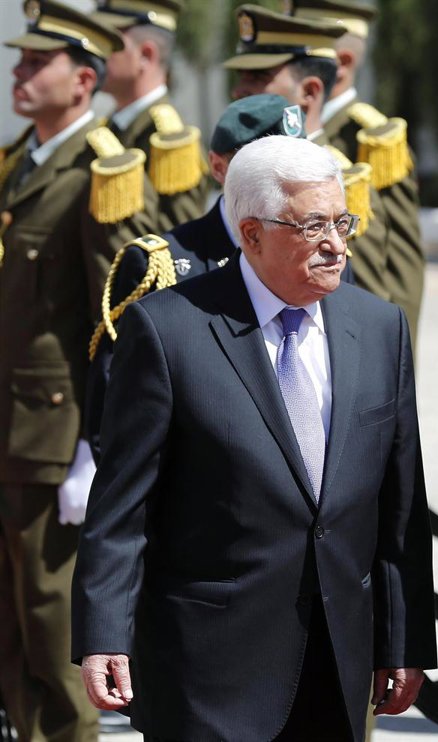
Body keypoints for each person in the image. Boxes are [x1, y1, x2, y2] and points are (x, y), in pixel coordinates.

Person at [71, 135, 436, 741]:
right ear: (252, 233)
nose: (337, 244)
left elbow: (400, 508)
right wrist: (104, 634)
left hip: (338, 661)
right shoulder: (167, 330)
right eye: (313, 226)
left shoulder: (379, 327)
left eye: (342, 221)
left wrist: (404, 639)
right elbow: (122, 507)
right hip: (207, 668)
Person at [0, 3, 157, 739]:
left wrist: (99, 446)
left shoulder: (103, 170)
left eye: (38, 63)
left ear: (84, 80)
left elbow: (127, 319)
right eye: (20, 60)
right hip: (10, 430)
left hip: (54, 435)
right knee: (10, 630)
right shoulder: (19, 162)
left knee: (50, 626)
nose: (19, 72)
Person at [82, 94, 315, 459]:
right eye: (266, 167)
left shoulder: (325, 258)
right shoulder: (164, 266)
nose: (288, 180)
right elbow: (118, 418)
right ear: (219, 168)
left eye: (300, 163)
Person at [226, 4, 393, 314]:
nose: (240, 90)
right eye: (242, 75)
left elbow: (369, 305)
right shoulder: (243, 165)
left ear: (310, 92)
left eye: (259, 76)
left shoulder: (343, 181)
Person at [286, 0, 426, 339]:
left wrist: (395, 354)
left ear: (343, 62)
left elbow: (401, 265)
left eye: (295, 56)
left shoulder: (373, 140)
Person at [93, 0, 208, 232]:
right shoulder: (108, 127)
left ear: (146, 55)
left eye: (109, 43)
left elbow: (177, 240)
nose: (95, 51)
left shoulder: (169, 140)